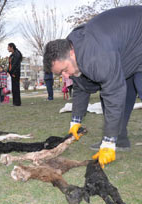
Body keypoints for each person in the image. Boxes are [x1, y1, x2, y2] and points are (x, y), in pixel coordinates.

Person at [43, 6, 142, 168]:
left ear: (72, 54)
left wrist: (108, 142)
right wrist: (75, 121)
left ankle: (113, 140)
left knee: (132, 87)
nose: (65, 76)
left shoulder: (95, 56)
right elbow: (81, 86)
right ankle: (120, 138)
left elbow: (113, 92)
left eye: (63, 70)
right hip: (127, 53)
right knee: (123, 88)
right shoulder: (72, 47)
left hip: (138, 38)